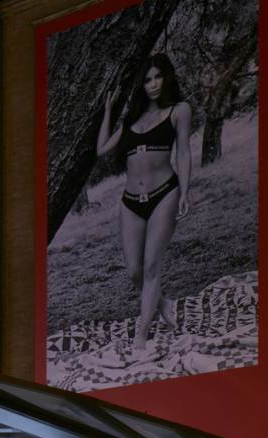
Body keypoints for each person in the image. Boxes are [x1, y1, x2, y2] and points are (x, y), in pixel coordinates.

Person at [95, 54, 192, 353]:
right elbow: (100, 150)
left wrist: (186, 192)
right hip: (130, 201)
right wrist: (108, 111)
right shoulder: (131, 122)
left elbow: (185, 153)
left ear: (167, 78)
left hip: (165, 193)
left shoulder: (179, 110)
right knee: (134, 270)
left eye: (158, 77)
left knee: (151, 266)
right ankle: (163, 303)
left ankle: (142, 335)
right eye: (147, 80)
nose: (153, 85)